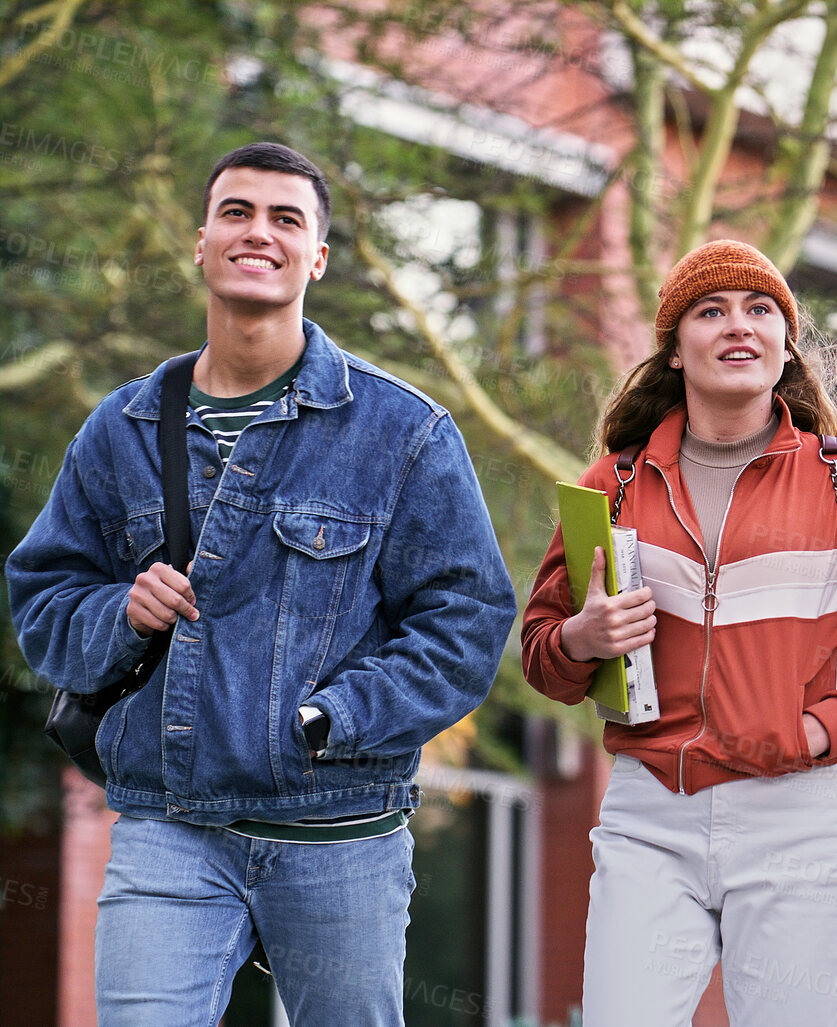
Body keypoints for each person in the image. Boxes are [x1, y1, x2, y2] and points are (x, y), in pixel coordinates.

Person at [7, 142, 517, 1026]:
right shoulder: (121, 428)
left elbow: (466, 620)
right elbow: (43, 596)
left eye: (288, 218)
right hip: (169, 826)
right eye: (237, 212)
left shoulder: (404, 432)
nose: (259, 232)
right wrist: (118, 613)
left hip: (343, 833)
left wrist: (334, 718)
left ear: (316, 256)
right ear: (201, 243)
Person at [520, 239, 837, 1027]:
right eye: (709, 311)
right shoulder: (610, 485)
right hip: (651, 813)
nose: (736, 326)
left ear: (786, 344)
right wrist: (582, 637)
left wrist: (823, 730)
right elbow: (543, 655)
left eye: (759, 311)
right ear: (675, 350)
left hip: (796, 813)